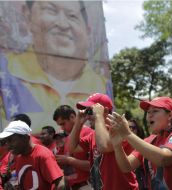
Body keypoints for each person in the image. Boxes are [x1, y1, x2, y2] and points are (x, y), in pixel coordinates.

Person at [0, 1, 107, 132]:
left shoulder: (102, 87)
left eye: (72, 16)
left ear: (88, 30)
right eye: (51, 11)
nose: (62, 24)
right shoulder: (6, 75)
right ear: (27, 16)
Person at [108, 97, 172, 190]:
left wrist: (128, 134)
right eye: (148, 112)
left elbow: (164, 159)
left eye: (155, 111)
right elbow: (127, 166)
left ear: (170, 115)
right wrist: (117, 145)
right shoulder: (149, 140)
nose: (150, 115)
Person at [69, 93, 138, 190]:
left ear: (104, 111)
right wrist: (78, 123)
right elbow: (72, 148)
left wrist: (98, 116)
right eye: (87, 111)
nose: (88, 116)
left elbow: (103, 146)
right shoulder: (93, 135)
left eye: (91, 111)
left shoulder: (120, 130)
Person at [0, 120, 65, 189]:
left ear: (25, 138)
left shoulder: (43, 155)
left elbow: (60, 183)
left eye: (11, 140)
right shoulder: (18, 157)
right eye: (6, 141)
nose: (9, 145)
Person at [53, 105, 93, 190]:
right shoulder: (67, 138)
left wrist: (69, 160)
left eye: (63, 123)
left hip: (88, 185)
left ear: (72, 117)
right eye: (60, 125)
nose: (62, 128)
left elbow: (95, 166)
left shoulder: (89, 134)